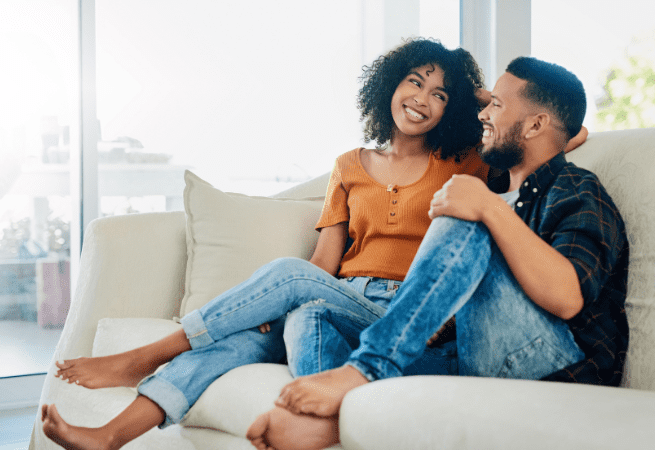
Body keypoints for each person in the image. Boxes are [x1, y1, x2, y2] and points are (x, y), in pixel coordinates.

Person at [40, 37, 492, 450]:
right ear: (390, 84)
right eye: (414, 81)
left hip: (406, 314)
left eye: (440, 95)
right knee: (249, 338)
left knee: (295, 288)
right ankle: (110, 436)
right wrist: (268, 308)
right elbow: (324, 262)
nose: (422, 99)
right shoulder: (349, 166)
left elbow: (519, 128)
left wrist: (474, 95)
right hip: (343, 300)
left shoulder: (465, 162)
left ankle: (155, 353)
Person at [248, 56, 629, 450]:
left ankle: (366, 369)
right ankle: (333, 421)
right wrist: (474, 98)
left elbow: (568, 298)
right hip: (472, 356)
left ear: (535, 125)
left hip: (556, 367)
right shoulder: (503, 193)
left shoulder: (575, 188)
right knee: (314, 314)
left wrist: (486, 207)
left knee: (462, 212)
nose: (483, 114)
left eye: (495, 105)